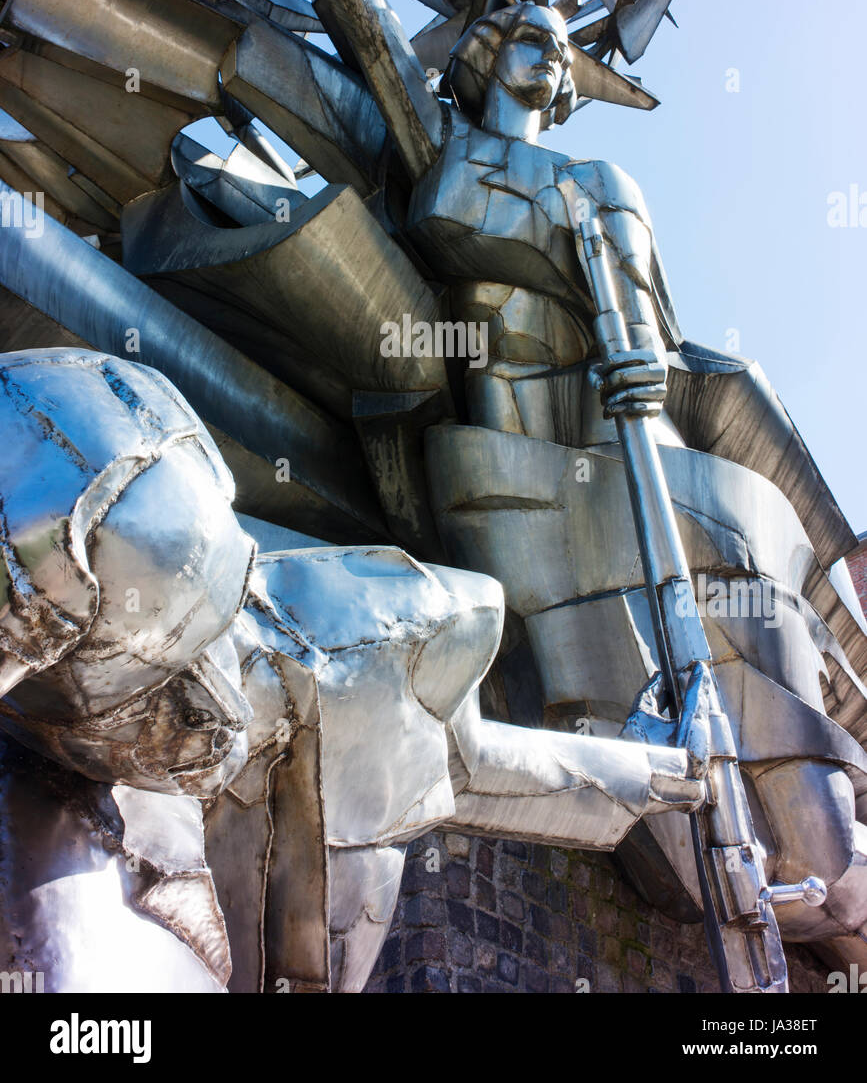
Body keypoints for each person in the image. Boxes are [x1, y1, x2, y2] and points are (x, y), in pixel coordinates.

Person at [281, 0, 867, 972]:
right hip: (489, 458)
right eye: (527, 36)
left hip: (600, 459)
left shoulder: (600, 184)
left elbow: (638, 339)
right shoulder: (442, 155)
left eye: (560, 45)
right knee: (604, 733)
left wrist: (637, 365)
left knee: (791, 848)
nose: (547, 52)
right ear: (491, 55)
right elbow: (372, 59)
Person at [0, 349, 708, 993]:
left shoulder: (317, 640)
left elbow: (464, 764)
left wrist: (655, 771)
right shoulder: (56, 514)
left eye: (218, 635)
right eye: (171, 687)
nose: (218, 713)